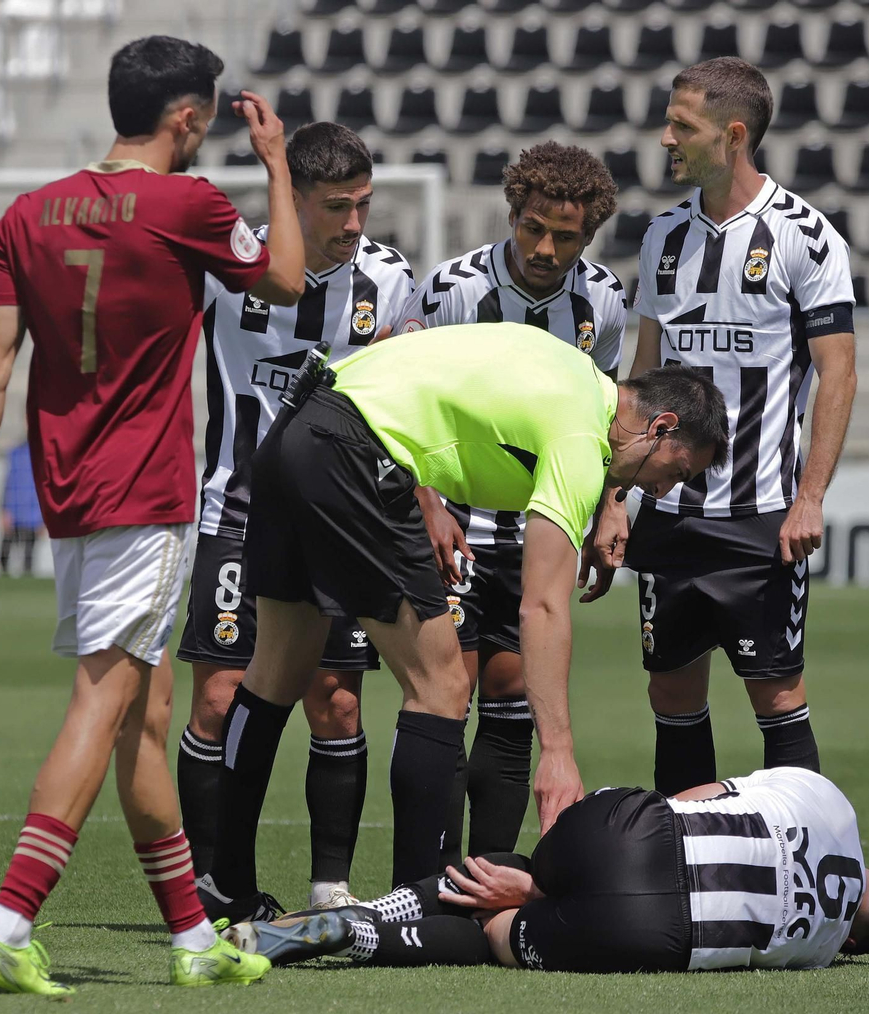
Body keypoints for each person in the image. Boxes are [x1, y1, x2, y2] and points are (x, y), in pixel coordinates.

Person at [0, 35, 306, 994]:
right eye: (208, 113)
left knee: (146, 712)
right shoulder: (191, 205)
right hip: (148, 494)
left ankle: (190, 940)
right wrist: (278, 166)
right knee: (104, 701)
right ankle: (8, 921)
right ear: (185, 118)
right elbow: (290, 280)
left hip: (69, 495)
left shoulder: (28, 214)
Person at [198, 322, 730, 924]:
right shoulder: (583, 433)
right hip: (354, 455)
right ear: (661, 427)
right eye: (677, 472)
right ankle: (414, 908)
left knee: (274, 675)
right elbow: (543, 605)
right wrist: (556, 753)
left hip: (295, 429)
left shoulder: (575, 378)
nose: (662, 490)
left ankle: (226, 884)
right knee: (443, 686)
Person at [176, 121, 416, 913]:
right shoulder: (230, 264)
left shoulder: (389, 280)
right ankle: (210, 883)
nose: (354, 224)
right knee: (218, 696)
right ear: (295, 201)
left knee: (337, 699)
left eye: (364, 205)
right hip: (235, 509)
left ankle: (330, 888)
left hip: (339, 521)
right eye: (337, 207)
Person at [606, 57, 860, 797]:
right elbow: (643, 378)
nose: (666, 138)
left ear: (734, 134)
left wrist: (810, 497)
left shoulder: (805, 238)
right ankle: (686, 865)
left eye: (682, 125)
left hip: (761, 519)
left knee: (777, 699)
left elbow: (837, 375)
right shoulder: (663, 237)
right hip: (672, 516)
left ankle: (802, 863)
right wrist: (616, 495)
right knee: (672, 698)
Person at [390, 141, 628, 861]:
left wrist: (611, 505)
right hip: (453, 524)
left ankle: (482, 881)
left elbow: (605, 413)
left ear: (588, 236)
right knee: (443, 696)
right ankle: (421, 880)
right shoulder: (454, 289)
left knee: (511, 699)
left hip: (539, 531)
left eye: (565, 236)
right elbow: (402, 397)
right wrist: (427, 504)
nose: (545, 247)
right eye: (532, 227)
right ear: (513, 213)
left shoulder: (604, 302)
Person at [226, 766, 869, 974]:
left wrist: (572, 864)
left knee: (523, 869)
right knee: (502, 935)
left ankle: (366, 910)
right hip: (660, 932)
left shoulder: (833, 807)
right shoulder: (821, 951)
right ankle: (359, 936)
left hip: (635, 832)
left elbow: (696, 801)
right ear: (852, 936)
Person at [0, 437, 42, 577]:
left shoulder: (44, 454)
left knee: (28, 554)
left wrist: (44, 519)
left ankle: (27, 584)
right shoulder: (16, 452)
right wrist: (4, 509)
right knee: (5, 551)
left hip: (34, 513)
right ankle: (4, 581)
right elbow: (8, 483)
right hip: (14, 511)